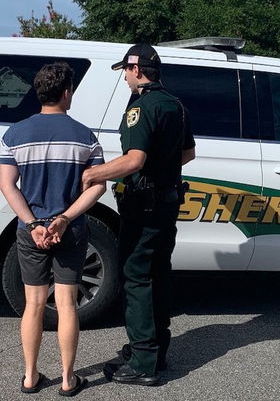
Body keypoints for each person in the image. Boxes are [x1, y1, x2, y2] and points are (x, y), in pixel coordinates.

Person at [81, 43, 196, 386]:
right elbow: (188, 154)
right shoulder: (176, 105)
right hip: (167, 203)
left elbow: (134, 160)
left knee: (136, 277)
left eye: (126, 72)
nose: (126, 79)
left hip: (143, 206)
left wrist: (91, 175)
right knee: (158, 274)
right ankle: (156, 350)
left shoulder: (142, 107)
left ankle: (143, 361)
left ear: (136, 69)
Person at [0, 62, 106, 397]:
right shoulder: (85, 136)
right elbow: (97, 187)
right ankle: (67, 379)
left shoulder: (14, 134)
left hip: (31, 232)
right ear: (66, 92)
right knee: (66, 304)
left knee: (33, 304)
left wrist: (33, 224)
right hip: (70, 230)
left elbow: (8, 186)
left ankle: (30, 377)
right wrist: (64, 219)